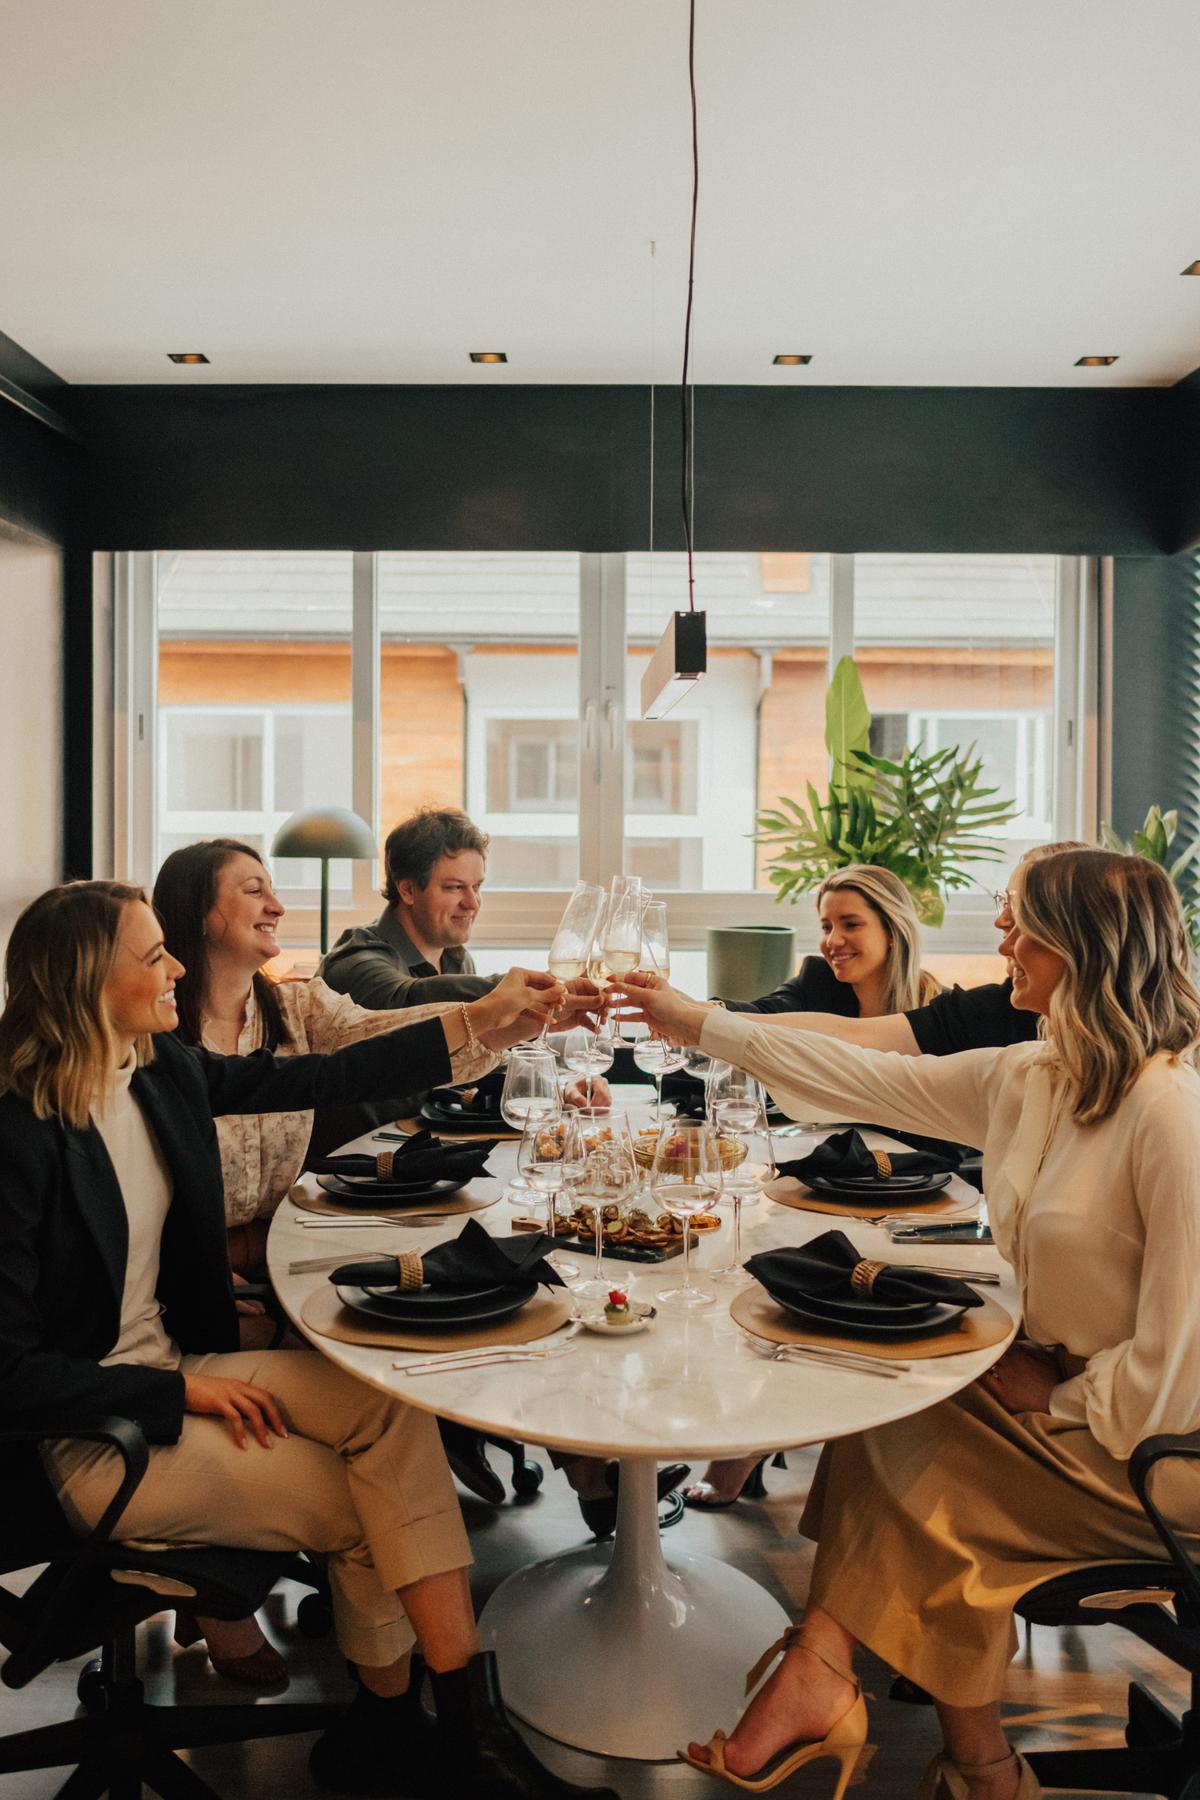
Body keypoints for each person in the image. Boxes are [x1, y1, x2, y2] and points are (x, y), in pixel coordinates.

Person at [0, 879, 615, 1800]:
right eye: (151, 954)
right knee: (367, 1503)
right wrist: (179, 1394)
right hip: (90, 1436)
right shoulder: (18, 1132)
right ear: (89, 980)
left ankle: (431, 1725)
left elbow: (323, 1076)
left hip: (172, 1365)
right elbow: (8, 1373)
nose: (175, 967)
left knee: (386, 1410)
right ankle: (440, 1739)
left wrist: (485, 1021)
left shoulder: (158, 1067)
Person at [614, 848, 1200, 1800]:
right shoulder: (1034, 1074)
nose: (1000, 939)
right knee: (893, 1406)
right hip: (1077, 1405)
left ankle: (846, 1689)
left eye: (1018, 921)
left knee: (923, 1474)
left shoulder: (1170, 1116)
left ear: (1080, 944)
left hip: (1157, 1450)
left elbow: (1182, 1367)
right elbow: (848, 1075)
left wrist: (1057, 1389)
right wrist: (695, 1023)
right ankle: (933, 1739)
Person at [151, 837, 560, 1680]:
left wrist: (494, 1018)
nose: (277, 906)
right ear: (197, 914)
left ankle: (399, 1683)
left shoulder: (295, 1012)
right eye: (254, 890)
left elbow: (383, 1036)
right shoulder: (155, 1039)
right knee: (370, 1427)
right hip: (187, 1291)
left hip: (275, 1267)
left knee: (388, 1380)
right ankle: (357, 1662)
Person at [686, 864, 942, 1509]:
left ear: (894, 928)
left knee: (805, 1280)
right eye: (826, 924)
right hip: (823, 1186)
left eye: (851, 924)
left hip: (906, 1200)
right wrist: (694, 1016)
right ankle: (743, 1440)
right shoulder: (816, 983)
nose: (833, 939)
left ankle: (775, 1451)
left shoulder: (943, 1011)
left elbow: (952, 1144)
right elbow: (760, 1017)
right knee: (757, 1272)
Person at [320, 806, 498, 1012]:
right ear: (408, 891)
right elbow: (407, 1003)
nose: (472, 903)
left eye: (476, 887)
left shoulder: (457, 959)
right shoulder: (356, 962)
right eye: (455, 887)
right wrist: (509, 988)